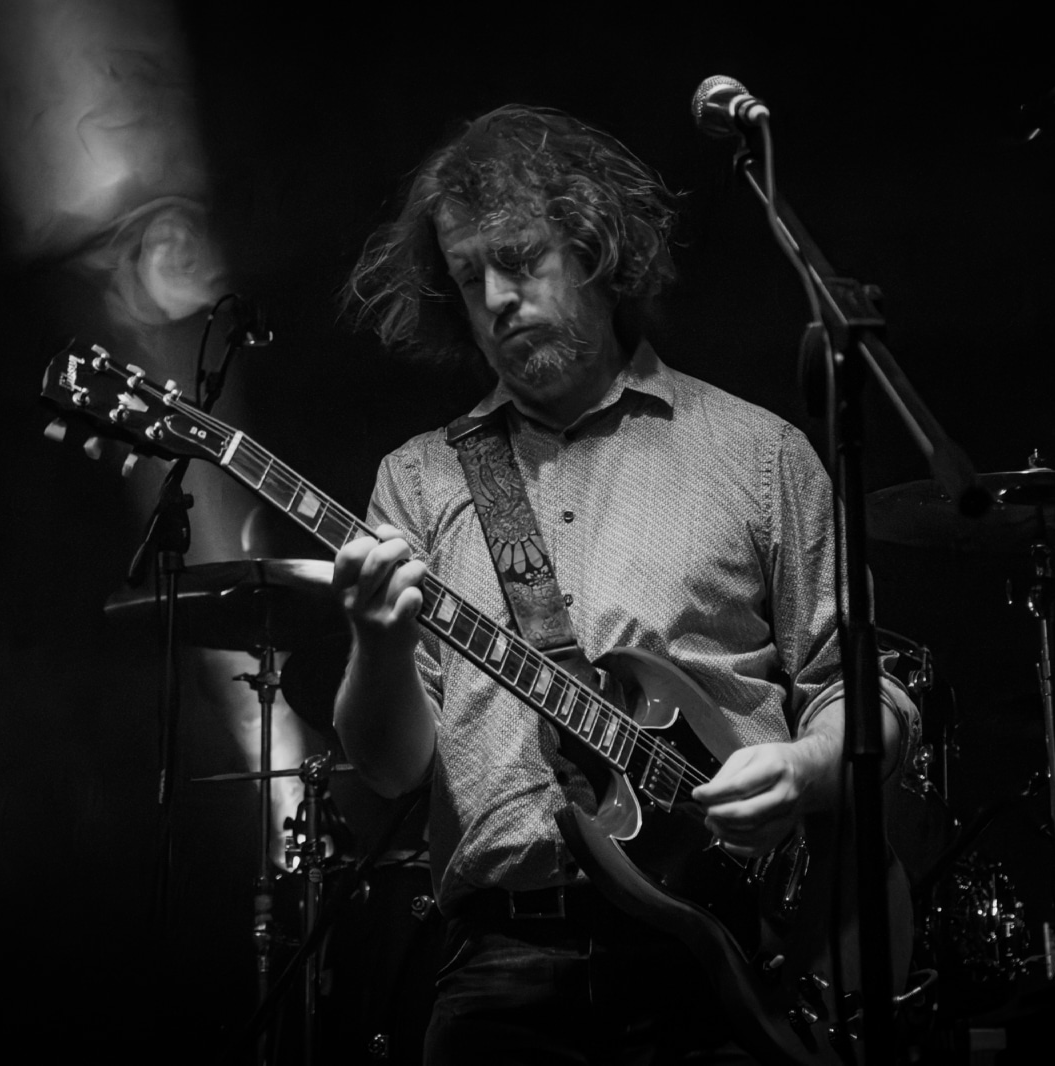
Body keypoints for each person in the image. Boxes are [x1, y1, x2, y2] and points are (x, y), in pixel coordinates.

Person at [333, 104, 919, 1065]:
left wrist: (804, 770)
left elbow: (867, 696)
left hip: (729, 963)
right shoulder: (419, 480)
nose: (496, 300)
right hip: (502, 967)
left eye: (519, 259)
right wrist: (375, 639)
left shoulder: (758, 453)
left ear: (597, 248)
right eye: (470, 277)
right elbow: (392, 768)